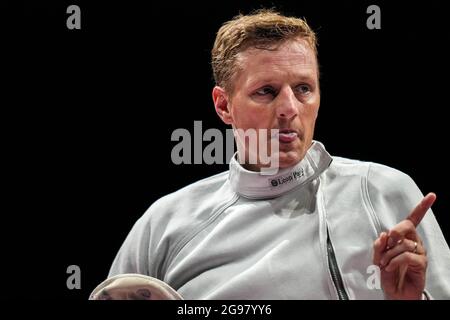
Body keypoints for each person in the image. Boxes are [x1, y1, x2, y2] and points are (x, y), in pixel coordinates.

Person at [102, 10, 450, 299]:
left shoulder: (384, 192)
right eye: (266, 91)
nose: (289, 108)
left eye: (303, 89)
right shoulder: (164, 225)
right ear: (224, 106)